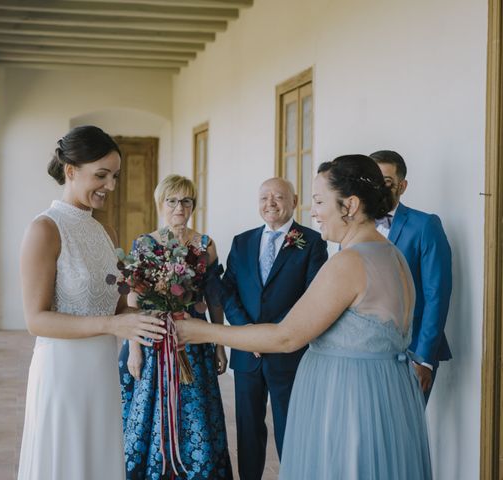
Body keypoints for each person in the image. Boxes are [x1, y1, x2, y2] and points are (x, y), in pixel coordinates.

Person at [178, 155, 432, 479]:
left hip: (351, 402)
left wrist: (201, 331)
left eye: (318, 200)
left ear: (350, 205)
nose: (312, 212)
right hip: (387, 394)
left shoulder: (348, 263)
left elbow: (286, 336)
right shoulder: (392, 254)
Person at [17, 125, 166, 480]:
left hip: (100, 373)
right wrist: (114, 326)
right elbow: (36, 320)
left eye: (114, 176)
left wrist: (150, 316)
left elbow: (115, 311)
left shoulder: (106, 232)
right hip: (62, 374)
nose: (111, 187)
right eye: (101, 175)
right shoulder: (45, 229)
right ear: (71, 171)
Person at [118, 174, 233, 480]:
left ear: (193, 204)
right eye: (172, 200)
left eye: (186, 200)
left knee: (196, 411)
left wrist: (220, 343)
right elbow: (135, 298)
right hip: (153, 338)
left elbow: (215, 299)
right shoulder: (144, 244)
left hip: (193, 341)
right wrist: (134, 349)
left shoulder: (205, 245)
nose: (179, 207)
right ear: (161, 203)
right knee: (149, 413)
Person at [221, 177, 327, 480]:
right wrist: (246, 331)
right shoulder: (242, 241)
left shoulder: (312, 242)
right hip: (247, 354)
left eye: (278, 197)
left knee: (290, 426)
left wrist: (279, 335)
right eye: (264, 197)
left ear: (294, 201)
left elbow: (313, 295)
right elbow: (227, 290)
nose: (270, 203)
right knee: (248, 427)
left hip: (288, 353)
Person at [370, 150, 452, 402]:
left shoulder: (425, 225)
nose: (378, 189)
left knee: (404, 435)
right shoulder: (354, 226)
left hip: (412, 350)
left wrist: (425, 360)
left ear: (402, 186)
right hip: (366, 351)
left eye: (386, 182)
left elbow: (436, 294)